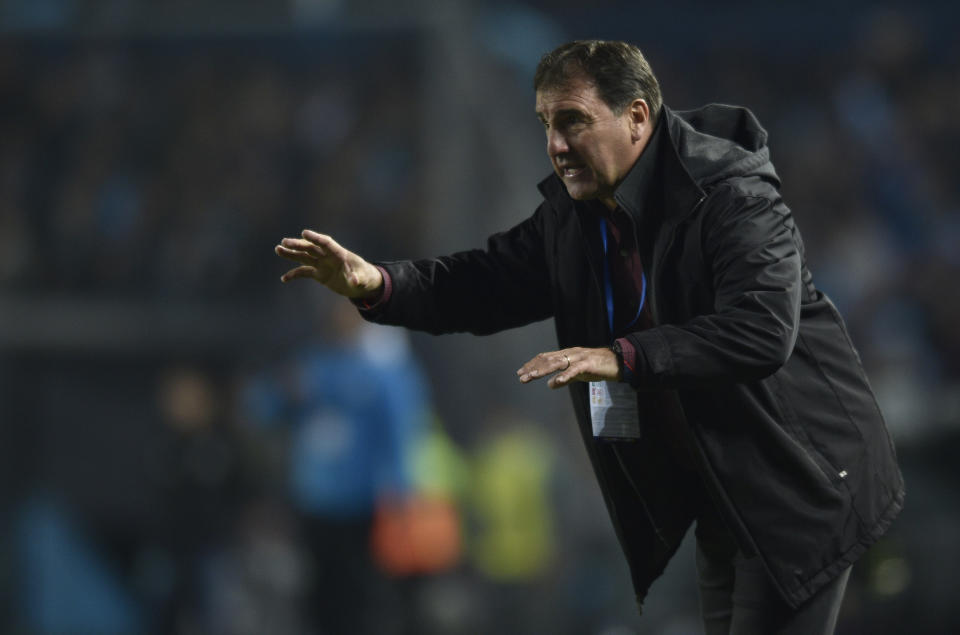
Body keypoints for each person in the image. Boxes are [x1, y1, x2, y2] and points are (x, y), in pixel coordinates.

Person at [274, 40, 904, 635]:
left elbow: (763, 330)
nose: (555, 143)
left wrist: (621, 357)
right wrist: (375, 282)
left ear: (636, 117)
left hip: (801, 477)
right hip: (724, 484)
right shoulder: (577, 215)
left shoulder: (732, 196)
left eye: (573, 120)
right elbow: (485, 281)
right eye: (546, 123)